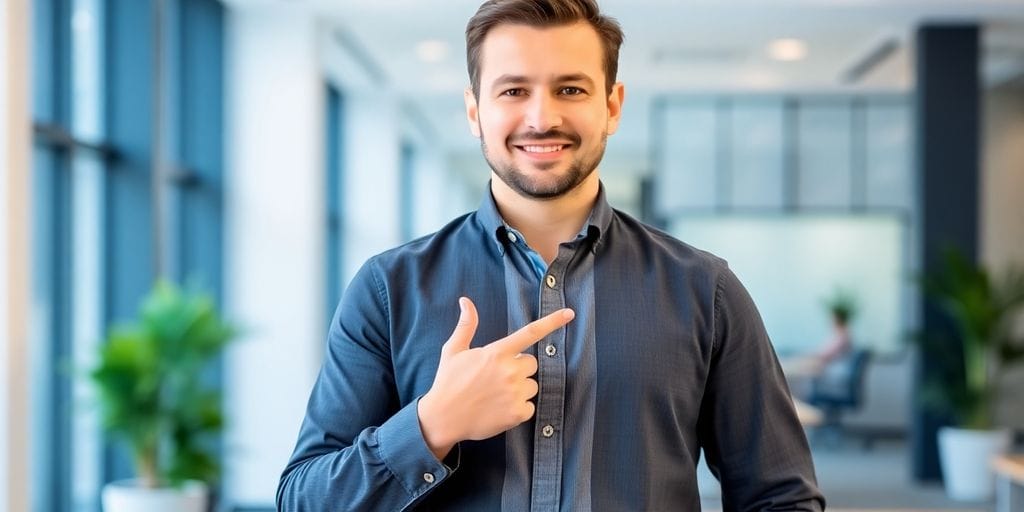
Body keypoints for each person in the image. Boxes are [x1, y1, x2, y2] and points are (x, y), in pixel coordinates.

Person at [277, 0, 825, 510]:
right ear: (475, 112)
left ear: (612, 105)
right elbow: (302, 497)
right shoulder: (389, 288)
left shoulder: (706, 290)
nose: (542, 118)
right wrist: (431, 425)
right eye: (513, 91)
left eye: (570, 90)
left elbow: (780, 497)